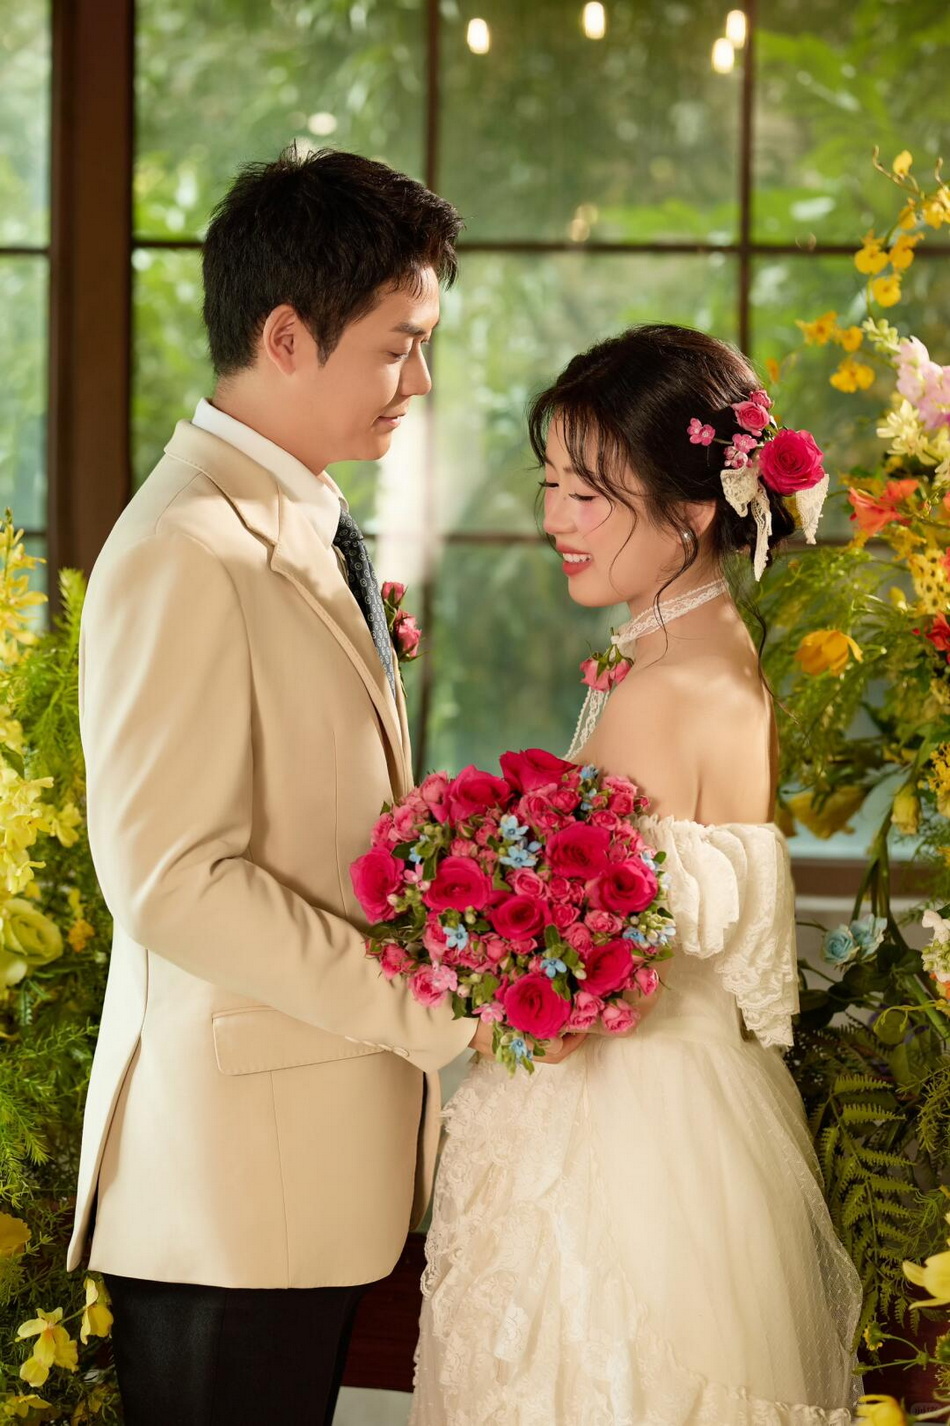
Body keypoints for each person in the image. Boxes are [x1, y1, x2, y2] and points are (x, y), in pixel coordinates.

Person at [66, 146, 581, 1426]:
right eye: (398, 346)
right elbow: (171, 880)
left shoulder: (298, 518)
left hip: (296, 1174)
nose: (420, 381)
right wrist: (423, 1005)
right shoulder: (183, 548)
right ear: (286, 336)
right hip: (229, 1192)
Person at [411, 324, 862, 1424]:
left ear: (694, 509)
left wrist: (468, 984)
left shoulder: (664, 687)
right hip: (687, 1117)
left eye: (589, 495)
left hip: (622, 1145)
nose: (554, 520)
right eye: (551, 485)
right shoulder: (694, 642)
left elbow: (587, 994)